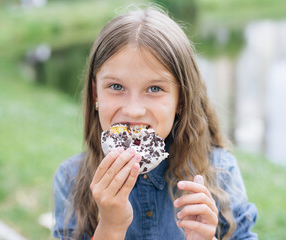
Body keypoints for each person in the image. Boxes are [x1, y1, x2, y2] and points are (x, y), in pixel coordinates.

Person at [53, 5, 257, 240]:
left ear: (180, 100)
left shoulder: (221, 172)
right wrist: (110, 226)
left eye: (154, 88)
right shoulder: (71, 179)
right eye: (116, 87)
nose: (133, 110)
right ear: (96, 93)